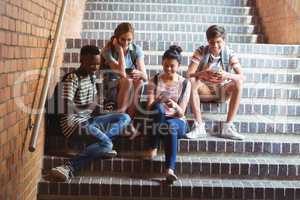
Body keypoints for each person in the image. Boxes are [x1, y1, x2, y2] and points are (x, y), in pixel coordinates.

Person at [47, 45, 131, 182]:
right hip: (72, 123)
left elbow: (91, 108)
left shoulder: (92, 78)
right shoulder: (72, 78)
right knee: (107, 144)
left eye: (97, 64)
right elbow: (65, 107)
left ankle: (103, 141)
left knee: (124, 117)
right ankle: (68, 167)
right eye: (92, 63)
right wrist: (90, 106)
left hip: (89, 120)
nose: (95, 67)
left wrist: (101, 109)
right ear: (82, 60)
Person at [185, 25, 245, 140]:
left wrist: (226, 75)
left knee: (238, 82)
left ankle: (228, 127)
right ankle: (199, 126)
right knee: (192, 81)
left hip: (222, 91)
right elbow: (188, 74)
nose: (215, 46)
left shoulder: (229, 53)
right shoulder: (201, 51)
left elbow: (242, 76)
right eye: (212, 42)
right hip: (204, 91)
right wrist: (202, 73)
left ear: (224, 40)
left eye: (219, 42)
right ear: (208, 41)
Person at [144, 45, 191, 184]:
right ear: (162, 63)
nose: (169, 69)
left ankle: (169, 170)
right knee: (158, 108)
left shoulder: (185, 83)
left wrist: (174, 105)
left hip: (177, 121)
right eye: (166, 65)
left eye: (172, 66)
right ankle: (153, 147)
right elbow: (149, 107)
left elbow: (182, 112)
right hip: (159, 119)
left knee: (170, 126)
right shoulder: (155, 80)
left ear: (179, 65)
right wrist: (158, 100)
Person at [100, 22, 147, 121]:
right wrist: (120, 51)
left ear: (133, 39)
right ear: (116, 38)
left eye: (129, 40)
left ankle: (129, 121)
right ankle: (120, 118)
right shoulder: (107, 50)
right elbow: (121, 73)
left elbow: (145, 76)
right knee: (127, 80)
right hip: (111, 84)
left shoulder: (136, 50)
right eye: (123, 39)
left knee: (139, 81)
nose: (126, 43)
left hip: (128, 83)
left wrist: (140, 73)